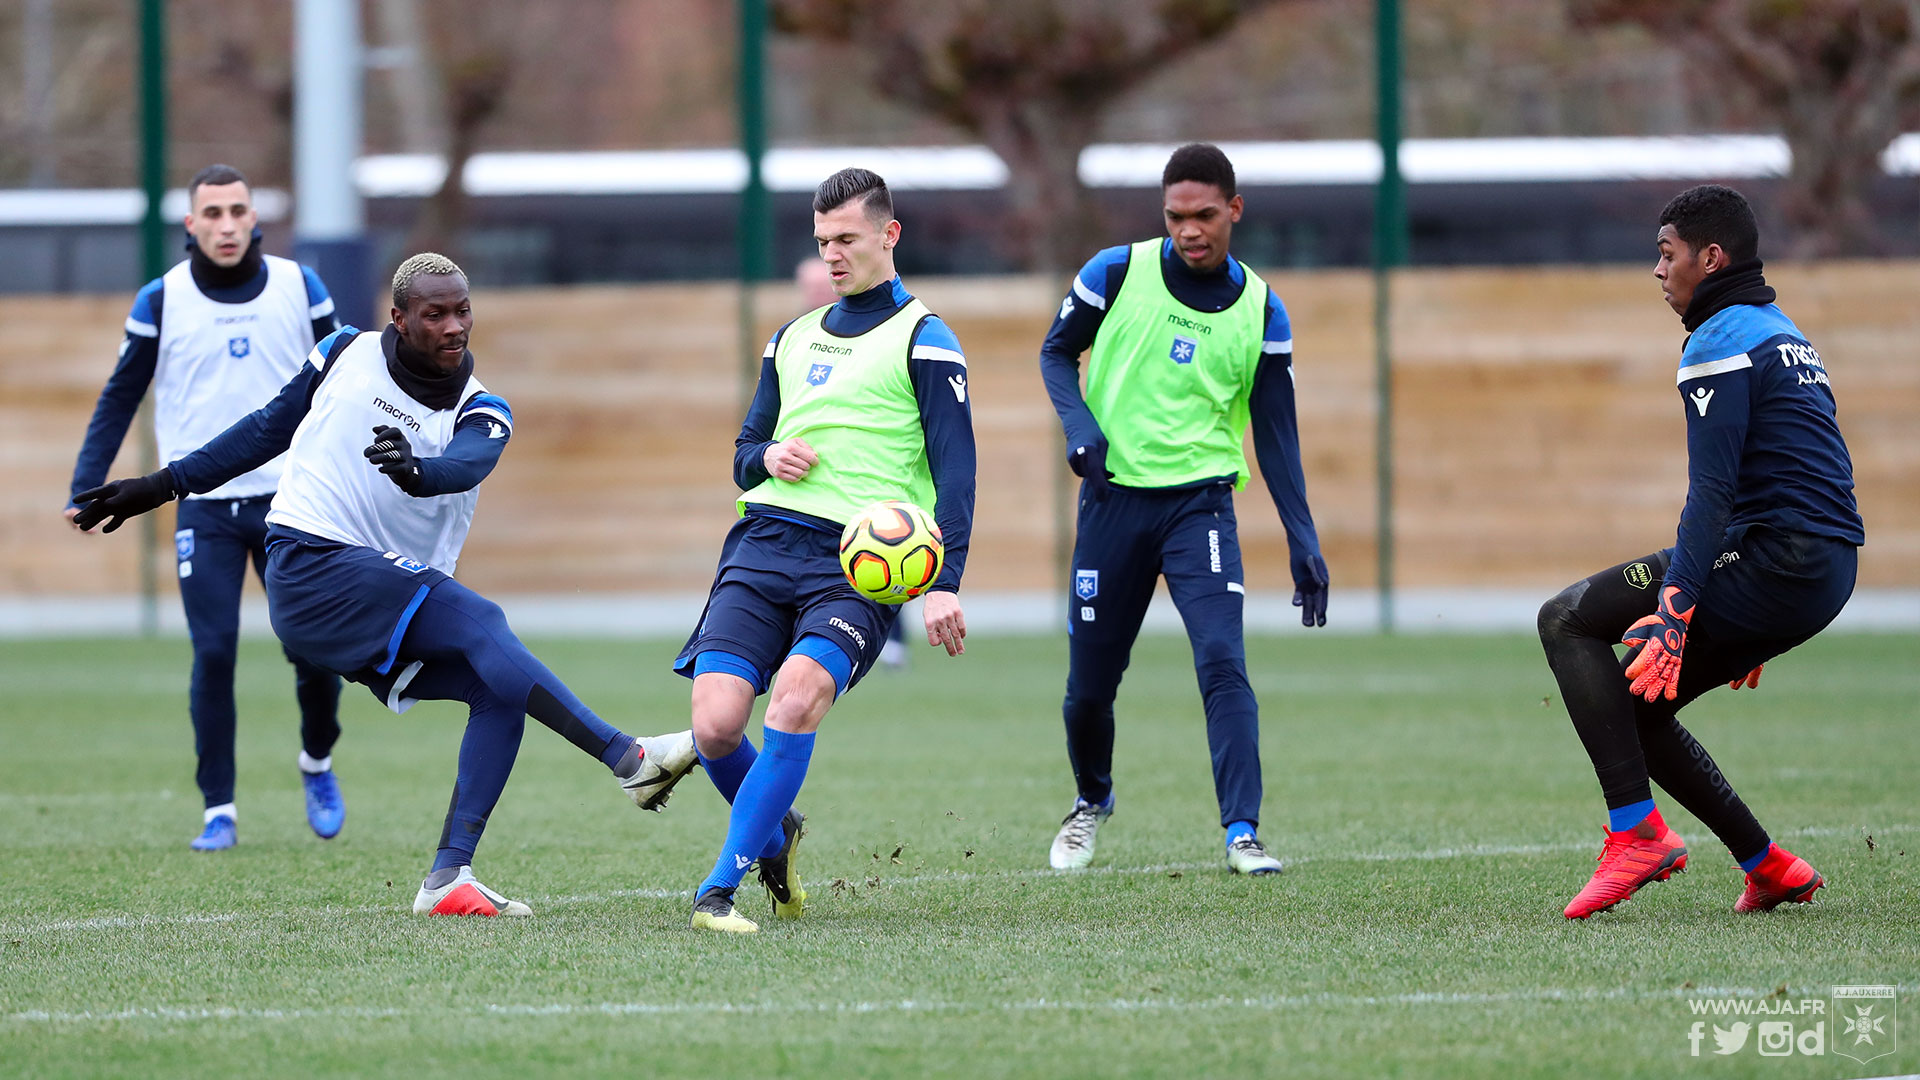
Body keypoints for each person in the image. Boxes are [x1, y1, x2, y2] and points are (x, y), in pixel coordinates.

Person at [71, 253, 699, 917]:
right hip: (308, 561)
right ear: (399, 319)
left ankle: (448, 877)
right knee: (487, 624)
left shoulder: (484, 409)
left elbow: (466, 465)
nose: (455, 326)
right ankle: (627, 759)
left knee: (499, 686)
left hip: (374, 598)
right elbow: (264, 431)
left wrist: (417, 471)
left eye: (463, 310)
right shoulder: (343, 351)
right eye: (436, 313)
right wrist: (160, 485)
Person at [1541, 184, 1862, 919]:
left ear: (1709, 258)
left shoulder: (1719, 340)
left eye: (1667, 254)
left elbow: (1712, 492)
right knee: (1637, 703)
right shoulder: (1783, 331)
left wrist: (1679, 609)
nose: (1658, 271)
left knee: (1564, 619)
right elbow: (1810, 469)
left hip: (1780, 558)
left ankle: (1635, 835)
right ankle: (1771, 865)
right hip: (1825, 567)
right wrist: (1753, 609)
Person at [676, 168, 975, 932]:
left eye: (846, 239)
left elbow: (957, 473)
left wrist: (942, 581)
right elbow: (745, 447)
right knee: (714, 726)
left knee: (798, 698)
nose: (833, 254)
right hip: (763, 543)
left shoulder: (926, 339)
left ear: (889, 234)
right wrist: (766, 458)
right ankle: (778, 832)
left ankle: (719, 888)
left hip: (857, 566)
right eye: (822, 241)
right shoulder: (791, 337)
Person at [1037, 143, 1330, 876]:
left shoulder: (1262, 308)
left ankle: (1242, 832)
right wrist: (1081, 431)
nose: (1188, 231)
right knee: (1089, 688)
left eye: (1203, 216)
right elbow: (1054, 353)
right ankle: (1090, 800)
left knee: (1223, 662)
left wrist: (1303, 537)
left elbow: (1277, 433)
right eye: (1175, 217)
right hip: (1111, 506)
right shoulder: (1114, 273)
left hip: (1199, 509)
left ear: (1234, 210)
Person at [66, 163, 345, 852]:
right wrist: (86, 482)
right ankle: (218, 809)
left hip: (293, 502)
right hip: (204, 506)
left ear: (255, 219)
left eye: (237, 211)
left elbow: (345, 383)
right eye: (211, 214)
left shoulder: (298, 287)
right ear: (191, 225)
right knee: (214, 650)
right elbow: (120, 394)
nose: (226, 225)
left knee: (312, 650)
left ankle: (317, 759)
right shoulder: (162, 300)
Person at [795, 255, 914, 671]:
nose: (814, 293)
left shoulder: (890, 334)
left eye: (818, 286)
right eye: (806, 288)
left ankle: (894, 637)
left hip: (870, 488)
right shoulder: (796, 338)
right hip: (807, 496)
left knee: (889, 551)